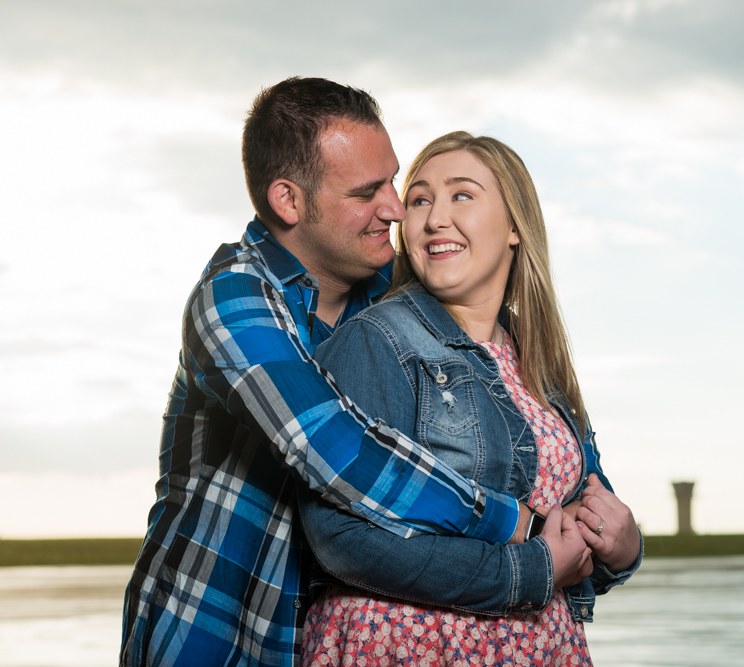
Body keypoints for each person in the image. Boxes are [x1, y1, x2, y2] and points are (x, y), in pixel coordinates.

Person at [119, 78, 583, 667]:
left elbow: (532, 431)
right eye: (368, 191)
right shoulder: (233, 299)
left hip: (319, 635)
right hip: (214, 629)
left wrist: (607, 531)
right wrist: (515, 523)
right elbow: (335, 450)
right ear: (289, 201)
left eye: (393, 182)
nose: (393, 208)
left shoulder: (397, 305)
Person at [297, 132, 643, 665]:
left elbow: (580, 520)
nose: (435, 218)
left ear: (513, 227)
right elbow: (341, 539)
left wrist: (623, 547)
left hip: (542, 644)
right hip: (407, 646)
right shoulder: (375, 341)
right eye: (419, 199)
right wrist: (531, 571)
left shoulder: (538, 356)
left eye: (462, 195)